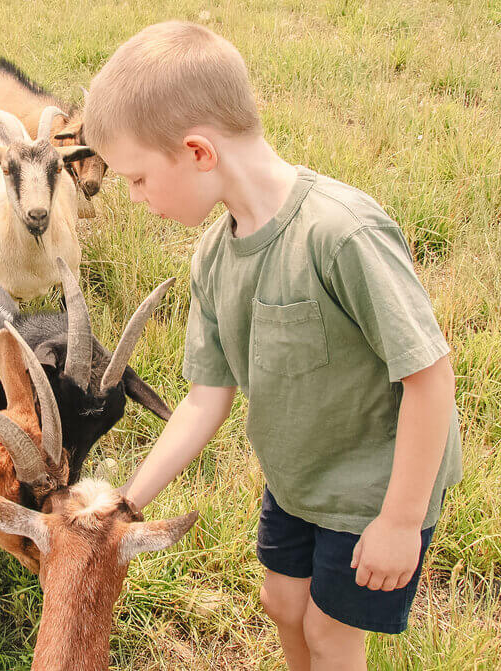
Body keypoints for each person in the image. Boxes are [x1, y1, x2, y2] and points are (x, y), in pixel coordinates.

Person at [83, 20, 462, 671]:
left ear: (198, 151)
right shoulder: (213, 254)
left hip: (377, 486)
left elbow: (429, 376)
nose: (135, 198)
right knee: (282, 602)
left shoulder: (340, 234)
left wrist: (398, 521)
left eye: (138, 178)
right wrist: (126, 502)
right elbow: (204, 400)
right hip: (298, 478)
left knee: (328, 631)